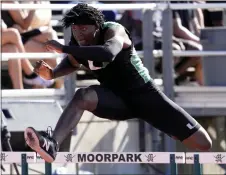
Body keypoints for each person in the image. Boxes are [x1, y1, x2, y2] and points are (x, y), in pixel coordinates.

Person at [24, 3, 212, 163]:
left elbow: (108, 53)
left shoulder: (113, 30)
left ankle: (166, 125)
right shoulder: (77, 42)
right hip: (115, 99)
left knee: (203, 143)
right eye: (75, 29)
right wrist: (52, 74)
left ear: (96, 26)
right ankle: (51, 145)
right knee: (82, 95)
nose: (79, 34)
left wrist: (64, 48)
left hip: (145, 96)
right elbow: (73, 61)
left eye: (83, 29)